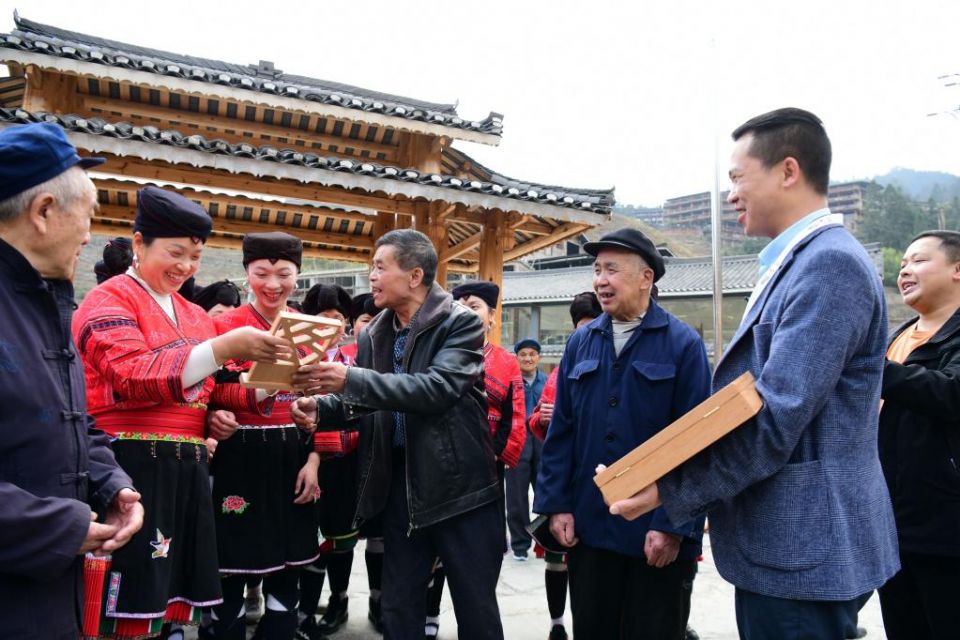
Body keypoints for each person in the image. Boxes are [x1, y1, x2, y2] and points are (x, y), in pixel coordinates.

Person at [608, 108, 900, 639]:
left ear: (788, 171)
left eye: (738, 178)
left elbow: (775, 418)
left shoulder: (828, 265)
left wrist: (668, 488)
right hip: (791, 544)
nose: (731, 195)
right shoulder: (798, 262)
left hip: (804, 547)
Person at [73, 186, 292, 639]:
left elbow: (216, 390)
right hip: (127, 466)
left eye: (195, 256)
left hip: (186, 468)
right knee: (121, 599)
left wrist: (277, 381)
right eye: (175, 253)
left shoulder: (194, 314)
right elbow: (131, 375)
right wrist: (222, 348)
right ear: (139, 243)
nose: (186, 267)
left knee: (163, 602)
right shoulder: (108, 300)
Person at [290, 229, 505, 640]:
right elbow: (370, 400)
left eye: (379, 267)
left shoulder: (460, 322)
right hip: (399, 489)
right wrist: (322, 410)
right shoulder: (375, 333)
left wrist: (350, 379)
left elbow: (437, 389)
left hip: (461, 489)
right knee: (397, 608)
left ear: (414, 275)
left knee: (475, 607)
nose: (371, 276)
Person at [0, 122, 143, 640]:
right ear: (43, 212)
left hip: (51, 595)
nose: (88, 236)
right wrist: (58, 526)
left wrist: (111, 483)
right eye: (87, 215)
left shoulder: (45, 305)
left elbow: (72, 421)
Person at [534, 227, 710, 639]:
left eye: (611, 269)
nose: (600, 280)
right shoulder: (581, 342)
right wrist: (557, 505)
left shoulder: (683, 345)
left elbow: (697, 445)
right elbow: (562, 432)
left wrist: (671, 526)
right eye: (597, 270)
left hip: (654, 535)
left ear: (646, 277)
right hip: (590, 528)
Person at [206, 231, 322, 640]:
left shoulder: (309, 330)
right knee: (232, 559)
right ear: (246, 274)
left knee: (289, 563)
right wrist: (215, 415)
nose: (273, 284)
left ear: (297, 276)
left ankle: (279, 630)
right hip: (237, 455)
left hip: (292, 454)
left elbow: (322, 400)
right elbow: (207, 390)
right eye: (261, 274)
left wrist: (315, 459)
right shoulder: (223, 327)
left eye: (284, 274)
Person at [422, 281, 525, 638]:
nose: (466, 311)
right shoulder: (436, 352)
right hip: (436, 468)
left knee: (477, 561)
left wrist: (491, 456)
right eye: (460, 304)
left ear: (492, 317)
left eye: (475, 305)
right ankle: (429, 613)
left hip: (485, 474)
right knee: (433, 552)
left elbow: (515, 417)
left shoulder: (506, 362)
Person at [878, 230, 960, 639]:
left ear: (957, 270)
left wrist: (871, 368)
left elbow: (951, 392)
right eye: (903, 264)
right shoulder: (898, 337)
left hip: (946, 530)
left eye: (919, 260)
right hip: (892, 526)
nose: (905, 271)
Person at [527, 292, 601, 640]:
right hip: (564, 480)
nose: (584, 334)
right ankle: (557, 623)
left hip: (598, 480)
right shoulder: (561, 371)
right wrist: (543, 419)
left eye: (591, 326)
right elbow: (537, 422)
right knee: (556, 556)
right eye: (579, 328)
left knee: (592, 563)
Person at [297, 283, 365, 638]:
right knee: (310, 541)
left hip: (345, 465)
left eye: (339, 318)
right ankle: (304, 611)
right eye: (324, 317)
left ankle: (339, 600)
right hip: (300, 463)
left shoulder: (356, 362)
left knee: (341, 538)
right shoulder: (295, 360)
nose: (333, 325)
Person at [506, 337, 547, 562]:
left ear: (539, 357)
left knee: (545, 492)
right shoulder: (510, 382)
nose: (528, 358)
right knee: (516, 497)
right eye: (523, 354)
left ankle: (544, 543)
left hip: (543, 441)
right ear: (517, 358)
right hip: (517, 441)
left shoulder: (548, 382)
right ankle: (520, 545)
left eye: (532, 354)